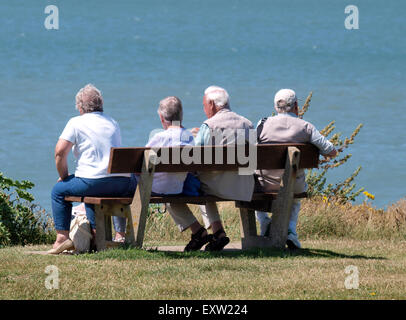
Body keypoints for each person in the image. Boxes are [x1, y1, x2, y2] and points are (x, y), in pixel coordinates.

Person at [49, 84, 136, 254]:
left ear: (80, 107)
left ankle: (62, 237)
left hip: (92, 182)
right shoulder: (113, 122)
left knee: (58, 191)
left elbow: (59, 152)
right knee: (90, 192)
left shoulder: (76, 122)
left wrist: (64, 176)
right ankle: (97, 236)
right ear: (100, 105)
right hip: (121, 183)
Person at [255, 88, 337, 249]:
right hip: (294, 184)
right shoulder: (305, 127)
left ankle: (264, 222)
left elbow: (249, 149)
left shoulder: (262, 124)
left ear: (275, 107)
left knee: (254, 181)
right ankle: (291, 230)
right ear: (296, 106)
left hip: (265, 183)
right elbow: (331, 151)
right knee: (294, 189)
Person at [192, 85, 255, 251]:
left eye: (204, 105)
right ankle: (218, 232)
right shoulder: (247, 124)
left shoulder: (209, 126)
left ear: (212, 104)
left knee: (199, 185)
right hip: (245, 187)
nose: (204, 108)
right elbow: (253, 158)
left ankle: (217, 230)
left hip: (216, 187)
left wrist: (195, 137)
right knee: (204, 185)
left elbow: (194, 159)